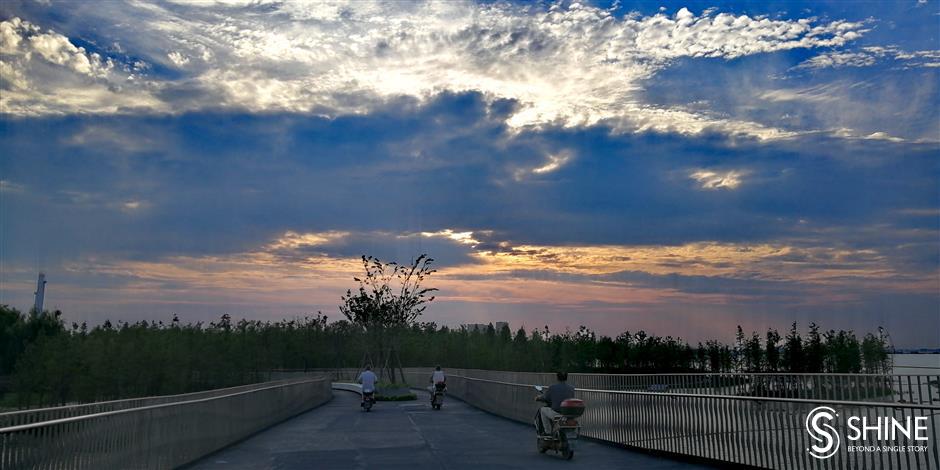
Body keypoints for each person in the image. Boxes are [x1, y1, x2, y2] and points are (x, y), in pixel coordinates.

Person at [535, 371, 575, 435]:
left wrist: (538, 398)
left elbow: (545, 398)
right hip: (567, 414)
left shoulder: (552, 387)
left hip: (557, 413)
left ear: (557, 378)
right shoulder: (571, 388)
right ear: (566, 378)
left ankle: (547, 431)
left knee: (542, 410)